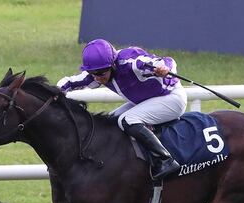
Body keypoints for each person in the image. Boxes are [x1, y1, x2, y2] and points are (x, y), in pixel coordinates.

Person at [57, 39, 187, 180]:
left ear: (112, 65)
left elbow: (169, 61)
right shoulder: (98, 71)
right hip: (148, 100)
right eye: (92, 73)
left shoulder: (132, 63)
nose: (97, 78)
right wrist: (54, 92)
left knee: (127, 120)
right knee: (110, 121)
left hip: (171, 98)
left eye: (101, 73)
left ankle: (165, 160)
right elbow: (69, 82)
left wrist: (164, 69)